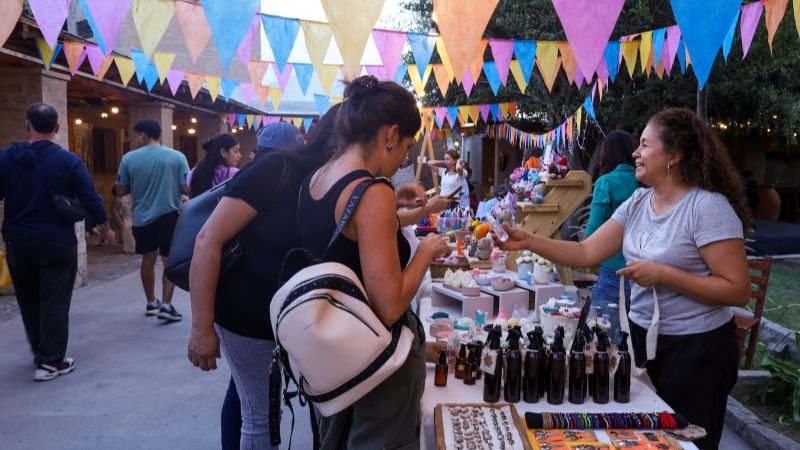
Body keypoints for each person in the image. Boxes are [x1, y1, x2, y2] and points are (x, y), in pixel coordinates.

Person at [499, 108, 750, 450]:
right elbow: (587, 252)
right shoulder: (638, 201)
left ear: (674, 156)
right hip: (643, 341)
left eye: (645, 145)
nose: (635, 152)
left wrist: (664, 275)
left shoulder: (707, 208)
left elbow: (737, 290)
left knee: (687, 443)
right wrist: (529, 240)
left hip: (697, 352)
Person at [298, 75, 450, 449]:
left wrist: (405, 207)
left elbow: (358, 236)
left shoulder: (317, 180)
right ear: (391, 134)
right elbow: (390, 303)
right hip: (377, 368)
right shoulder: (372, 191)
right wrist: (426, 252)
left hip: (333, 360)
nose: (405, 158)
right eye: (407, 146)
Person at [188, 109, 331, 450]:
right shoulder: (271, 172)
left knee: (245, 394)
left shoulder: (312, 178)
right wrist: (201, 329)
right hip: (245, 313)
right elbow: (207, 241)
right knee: (259, 412)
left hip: (274, 315)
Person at [0, 103, 114, 381]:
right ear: (58, 127)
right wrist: (106, 228)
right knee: (54, 299)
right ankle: (51, 361)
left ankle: (41, 351)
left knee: (28, 299)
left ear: (28, 125)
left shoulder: (5, 158)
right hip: (56, 240)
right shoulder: (68, 160)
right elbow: (90, 197)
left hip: (17, 239)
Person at [116, 119, 189, 322]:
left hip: (142, 217)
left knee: (147, 259)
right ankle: (166, 304)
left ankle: (151, 302)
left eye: (136, 134)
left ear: (144, 135)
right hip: (169, 215)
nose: (135, 138)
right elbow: (186, 188)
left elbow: (121, 189)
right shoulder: (177, 157)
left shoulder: (128, 159)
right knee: (169, 261)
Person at [584, 130, 639, 338]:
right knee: (634, 343)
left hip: (613, 273)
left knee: (603, 339)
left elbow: (593, 231)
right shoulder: (645, 183)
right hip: (645, 274)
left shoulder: (606, 182)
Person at [187, 133, 240, 198]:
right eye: (236, 151)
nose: (239, 156)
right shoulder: (233, 173)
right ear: (223, 152)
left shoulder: (194, 171)